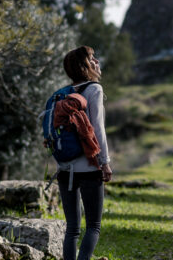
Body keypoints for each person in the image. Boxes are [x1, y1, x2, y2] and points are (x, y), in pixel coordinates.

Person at [57, 46, 113, 260]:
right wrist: (105, 162)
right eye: (92, 58)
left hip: (65, 169)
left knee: (72, 228)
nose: (97, 61)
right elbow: (98, 129)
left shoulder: (64, 93)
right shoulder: (94, 90)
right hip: (89, 168)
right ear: (85, 66)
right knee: (93, 227)